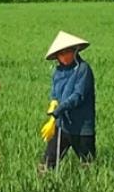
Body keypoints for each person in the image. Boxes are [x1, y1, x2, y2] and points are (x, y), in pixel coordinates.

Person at [39, 30, 96, 170]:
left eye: (67, 52)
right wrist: (53, 104)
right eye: (61, 53)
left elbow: (78, 96)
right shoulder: (58, 71)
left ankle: (92, 189)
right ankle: (44, 188)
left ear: (75, 51)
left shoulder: (83, 69)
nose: (64, 56)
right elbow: (55, 94)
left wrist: (57, 111)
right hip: (62, 125)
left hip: (82, 127)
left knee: (88, 165)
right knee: (47, 162)